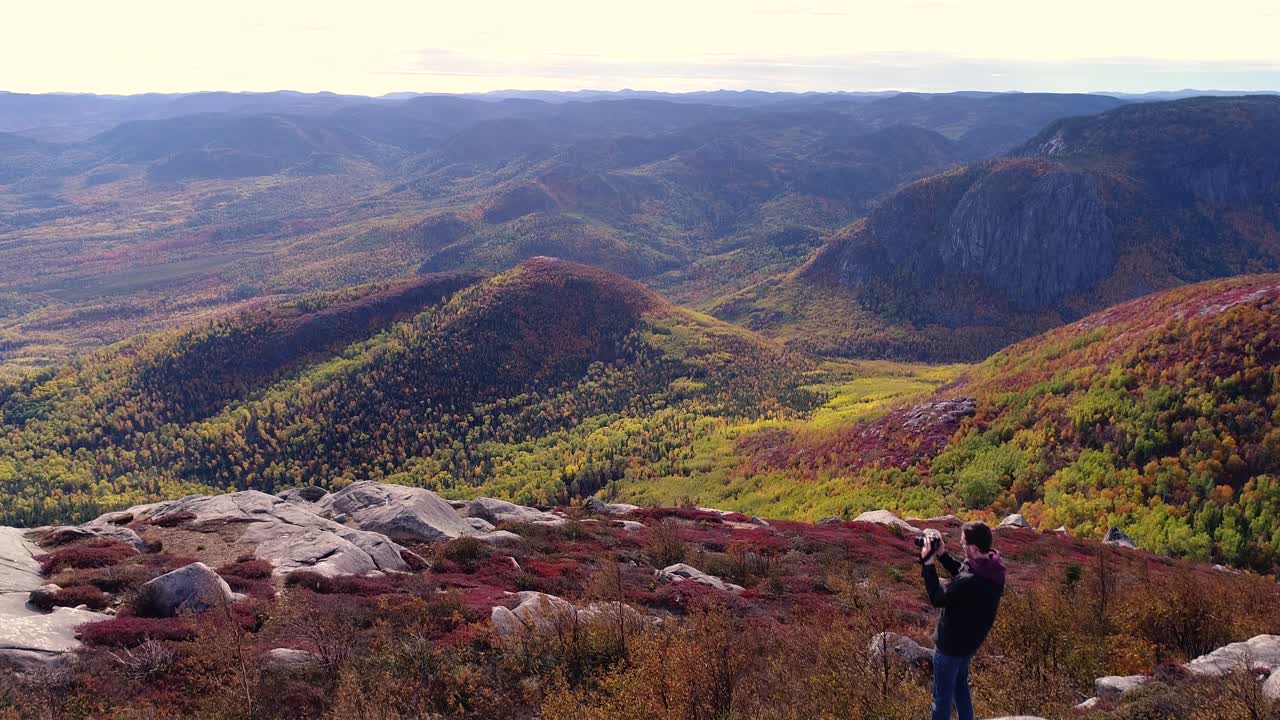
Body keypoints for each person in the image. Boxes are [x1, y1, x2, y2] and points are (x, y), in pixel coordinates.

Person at [919, 521, 1006, 720]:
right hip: (969, 644)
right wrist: (942, 554)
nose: (961, 544)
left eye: (963, 543)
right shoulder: (993, 568)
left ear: (973, 549)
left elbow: (937, 598)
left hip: (950, 648)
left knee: (942, 698)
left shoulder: (969, 582)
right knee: (960, 684)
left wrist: (928, 563)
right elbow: (964, 571)